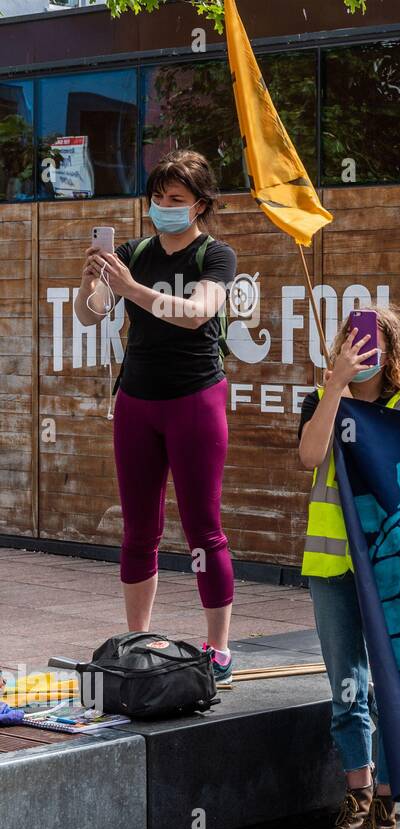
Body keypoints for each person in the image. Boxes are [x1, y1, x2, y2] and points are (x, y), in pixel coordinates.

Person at [74, 149, 238, 682]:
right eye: (157, 198)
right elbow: (91, 312)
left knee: (202, 530)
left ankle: (218, 649)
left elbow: (196, 315)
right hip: (137, 402)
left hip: (195, 399)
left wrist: (130, 289)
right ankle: (136, 638)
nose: (163, 208)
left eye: (176, 200)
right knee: (138, 529)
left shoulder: (215, 256)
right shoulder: (133, 250)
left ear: (199, 206)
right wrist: (90, 283)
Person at [297, 307, 400, 829]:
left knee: (386, 689)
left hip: (388, 571)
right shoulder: (322, 397)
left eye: (370, 340)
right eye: (350, 338)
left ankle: (384, 813)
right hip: (331, 566)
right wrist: (333, 389)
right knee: (346, 689)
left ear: (391, 348)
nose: (359, 348)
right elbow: (310, 455)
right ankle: (356, 799)